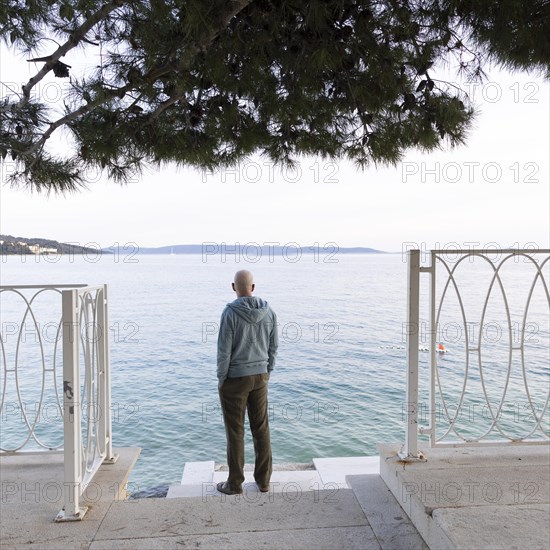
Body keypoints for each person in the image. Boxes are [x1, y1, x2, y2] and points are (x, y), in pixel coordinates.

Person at [216, 269, 278, 495]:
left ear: (234, 287)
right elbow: (274, 346)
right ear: (253, 287)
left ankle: (235, 484)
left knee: (235, 432)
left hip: (235, 379)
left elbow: (224, 351)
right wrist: (266, 370)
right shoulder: (269, 312)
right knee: (261, 429)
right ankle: (263, 481)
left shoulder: (230, 313)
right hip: (260, 377)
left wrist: (222, 378)